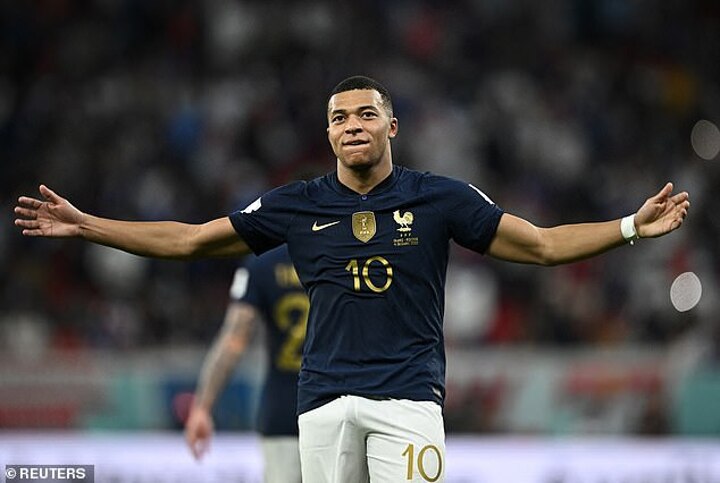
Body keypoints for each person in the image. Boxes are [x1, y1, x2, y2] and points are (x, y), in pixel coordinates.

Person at [14, 75, 690, 482]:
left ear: (392, 125)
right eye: (339, 118)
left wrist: (628, 226)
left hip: (407, 400)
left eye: (365, 114)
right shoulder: (296, 204)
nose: (352, 126)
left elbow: (540, 245)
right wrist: (89, 225)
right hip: (323, 402)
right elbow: (190, 239)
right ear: (328, 135)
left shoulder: (439, 197)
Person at [185, 245, 306, 483]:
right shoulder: (341, 253)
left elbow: (234, 340)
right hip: (337, 403)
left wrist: (202, 406)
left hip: (284, 410)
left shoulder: (263, 263)